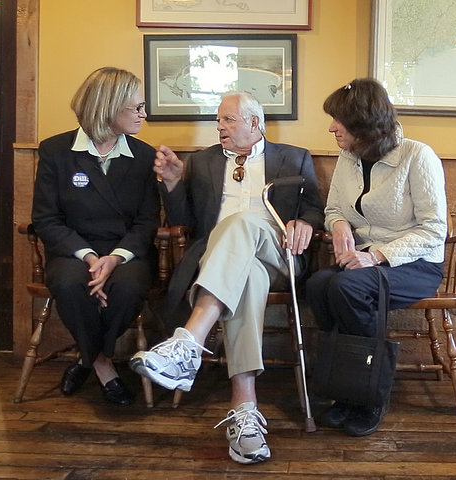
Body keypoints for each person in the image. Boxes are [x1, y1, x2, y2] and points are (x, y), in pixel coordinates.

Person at [129, 91, 324, 464]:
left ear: (254, 122)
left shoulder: (293, 157)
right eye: (218, 120)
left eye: (228, 119)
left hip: (278, 255)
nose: (219, 126)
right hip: (222, 263)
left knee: (243, 222)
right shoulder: (202, 162)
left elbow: (315, 207)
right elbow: (183, 218)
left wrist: (305, 222)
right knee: (246, 276)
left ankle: (188, 343)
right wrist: (171, 182)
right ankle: (244, 412)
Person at [306, 78, 448, 437]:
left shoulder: (418, 155)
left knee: (347, 289)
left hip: (415, 263)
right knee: (319, 284)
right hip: (365, 259)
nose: (331, 127)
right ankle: (348, 390)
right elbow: (335, 207)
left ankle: (370, 396)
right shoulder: (349, 157)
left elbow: (434, 230)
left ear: (363, 123)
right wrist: (338, 226)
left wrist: (380, 255)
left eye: (338, 120)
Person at [31, 67, 159, 406]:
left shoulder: (145, 156)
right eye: (137, 107)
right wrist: (89, 258)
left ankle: (86, 359)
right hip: (72, 250)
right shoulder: (56, 151)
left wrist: (114, 259)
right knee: (74, 285)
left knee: (128, 288)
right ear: (109, 107)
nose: (144, 115)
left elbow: (147, 222)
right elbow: (46, 218)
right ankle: (103, 364)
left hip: (127, 252)